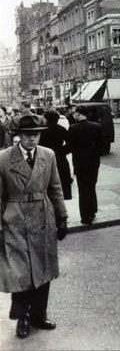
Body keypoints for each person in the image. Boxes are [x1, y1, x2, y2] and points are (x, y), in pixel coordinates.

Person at [0, 114, 68, 339]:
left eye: (36, 134)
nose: (32, 139)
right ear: (18, 135)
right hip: (14, 220)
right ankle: (22, 317)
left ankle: (39, 315)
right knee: (21, 274)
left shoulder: (48, 155)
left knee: (43, 270)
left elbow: (55, 188)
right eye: (28, 134)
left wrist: (62, 217)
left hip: (43, 218)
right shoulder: (3, 158)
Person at [64, 105, 104, 225]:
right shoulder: (97, 126)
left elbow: (69, 147)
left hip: (80, 162)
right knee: (91, 186)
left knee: (83, 189)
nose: (74, 114)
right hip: (93, 161)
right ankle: (92, 210)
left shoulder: (73, 128)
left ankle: (86, 216)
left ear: (78, 114)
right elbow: (102, 146)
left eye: (75, 113)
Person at [39, 110, 73, 201]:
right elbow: (71, 145)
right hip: (59, 158)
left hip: (44, 157)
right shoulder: (61, 129)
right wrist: (62, 151)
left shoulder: (41, 130)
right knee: (61, 182)